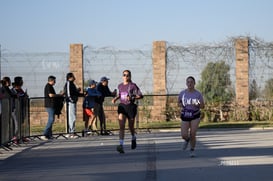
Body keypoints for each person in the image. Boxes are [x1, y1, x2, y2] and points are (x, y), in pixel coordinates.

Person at [112, 70, 143, 154]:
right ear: (122, 76)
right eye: (124, 75)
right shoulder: (120, 86)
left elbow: (140, 95)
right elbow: (120, 94)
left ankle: (133, 137)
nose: (125, 76)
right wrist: (115, 98)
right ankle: (121, 145)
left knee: (131, 127)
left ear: (130, 76)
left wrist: (132, 97)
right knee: (121, 125)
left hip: (130, 107)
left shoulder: (133, 85)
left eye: (127, 75)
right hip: (122, 106)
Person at [178, 76, 205, 157]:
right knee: (183, 135)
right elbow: (178, 103)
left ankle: (192, 150)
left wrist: (197, 104)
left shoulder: (198, 94)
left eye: (191, 82)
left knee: (193, 133)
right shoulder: (182, 93)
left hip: (195, 115)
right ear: (186, 83)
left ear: (194, 83)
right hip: (185, 115)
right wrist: (182, 105)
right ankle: (187, 140)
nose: (190, 84)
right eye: (188, 82)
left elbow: (203, 106)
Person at [41, 75, 64, 140]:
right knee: (51, 119)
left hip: (52, 105)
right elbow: (50, 95)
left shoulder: (50, 86)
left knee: (52, 119)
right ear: (51, 81)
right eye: (54, 81)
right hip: (49, 105)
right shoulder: (48, 86)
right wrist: (59, 95)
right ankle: (44, 134)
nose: (55, 82)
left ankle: (49, 134)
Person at [64, 72, 82, 138]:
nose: (74, 77)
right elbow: (68, 94)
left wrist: (82, 94)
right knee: (72, 117)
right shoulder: (69, 83)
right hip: (70, 102)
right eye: (73, 76)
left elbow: (75, 93)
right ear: (70, 78)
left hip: (73, 102)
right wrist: (72, 100)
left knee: (72, 117)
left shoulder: (72, 84)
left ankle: (71, 131)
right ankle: (71, 132)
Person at [1, 77, 18, 143]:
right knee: (5, 126)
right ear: (7, 82)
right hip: (6, 109)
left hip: (10, 109)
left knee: (10, 125)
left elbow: (13, 95)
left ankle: (7, 139)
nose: (10, 82)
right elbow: (9, 96)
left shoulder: (7, 88)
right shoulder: (3, 88)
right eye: (10, 81)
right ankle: (4, 140)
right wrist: (14, 95)